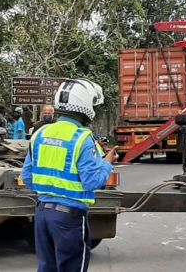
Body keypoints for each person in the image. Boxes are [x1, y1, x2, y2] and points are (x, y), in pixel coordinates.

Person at [22, 79, 117, 272]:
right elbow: (92, 182)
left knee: (47, 268)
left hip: (42, 215)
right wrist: (107, 164)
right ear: (85, 107)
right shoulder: (82, 138)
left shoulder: (40, 133)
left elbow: (27, 176)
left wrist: (49, 190)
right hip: (69, 218)